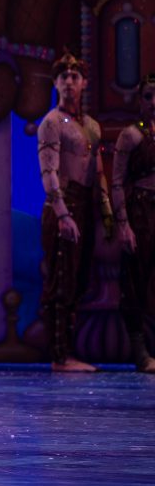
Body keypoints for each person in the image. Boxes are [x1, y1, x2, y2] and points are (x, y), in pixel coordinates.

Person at [36, 50, 112, 372]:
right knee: (61, 281)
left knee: (78, 282)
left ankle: (68, 352)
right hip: (62, 204)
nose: (69, 82)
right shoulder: (52, 123)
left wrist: (108, 213)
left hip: (85, 205)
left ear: (83, 83)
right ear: (55, 83)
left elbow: (98, 172)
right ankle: (59, 356)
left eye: (74, 77)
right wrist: (63, 213)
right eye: (63, 77)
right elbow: (49, 171)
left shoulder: (91, 126)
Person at [111, 72, 155, 373]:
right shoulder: (130, 135)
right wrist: (123, 224)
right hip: (140, 211)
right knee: (136, 279)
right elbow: (116, 183)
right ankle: (141, 352)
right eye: (149, 96)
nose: (154, 102)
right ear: (140, 100)